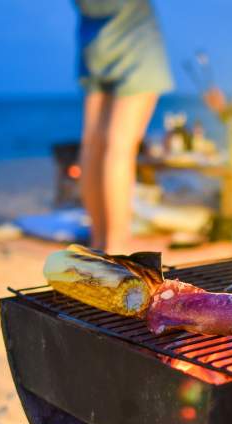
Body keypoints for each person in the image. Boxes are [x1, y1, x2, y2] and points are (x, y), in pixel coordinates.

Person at [73, 0, 172, 252]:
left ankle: (98, 242)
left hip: (94, 37)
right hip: (134, 34)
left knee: (92, 144)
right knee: (120, 148)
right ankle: (116, 245)